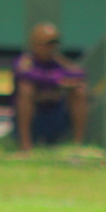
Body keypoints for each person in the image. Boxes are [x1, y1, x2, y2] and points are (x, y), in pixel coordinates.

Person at [12, 21, 88, 152]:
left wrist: (61, 80)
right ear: (35, 44)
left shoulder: (57, 61)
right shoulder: (26, 61)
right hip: (35, 116)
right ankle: (25, 145)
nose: (50, 48)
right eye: (46, 44)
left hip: (56, 113)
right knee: (26, 89)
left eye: (53, 44)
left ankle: (78, 143)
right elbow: (25, 74)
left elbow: (80, 73)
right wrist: (57, 81)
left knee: (79, 90)